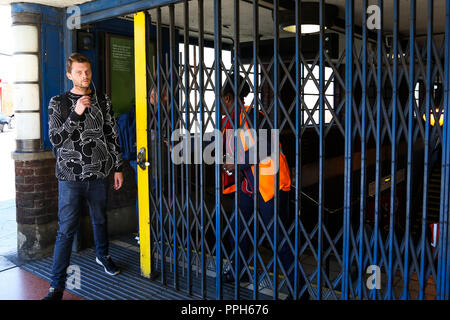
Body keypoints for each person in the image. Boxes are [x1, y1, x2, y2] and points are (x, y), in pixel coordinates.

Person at [43, 53, 124, 300]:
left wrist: (118, 166)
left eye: (87, 71)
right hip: (69, 177)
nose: (85, 76)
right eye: (79, 72)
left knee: (100, 220)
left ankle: (103, 256)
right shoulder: (58, 102)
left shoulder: (103, 100)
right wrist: (76, 113)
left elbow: (111, 134)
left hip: (98, 173)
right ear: (69, 75)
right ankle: (56, 287)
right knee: (66, 230)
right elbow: (56, 140)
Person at [220, 74, 307, 299]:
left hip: (271, 186)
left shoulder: (253, 117)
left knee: (278, 238)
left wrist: (236, 162)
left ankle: (300, 291)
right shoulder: (229, 121)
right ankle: (239, 272)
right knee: (237, 227)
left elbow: (266, 147)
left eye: (222, 100)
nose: (221, 105)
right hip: (250, 186)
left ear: (228, 98)